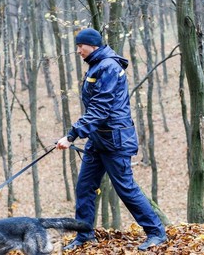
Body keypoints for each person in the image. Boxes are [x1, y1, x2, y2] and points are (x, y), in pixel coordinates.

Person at [56, 28, 167, 251]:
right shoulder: (97, 66)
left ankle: (156, 232)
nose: (78, 51)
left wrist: (72, 134)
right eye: (77, 46)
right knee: (85, 187)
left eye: (81, 46)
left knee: (126, 188)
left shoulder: (108, 66)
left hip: (115, 140)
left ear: (93, 46)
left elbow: (100, 108)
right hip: (99, 139)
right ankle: (85, 235)